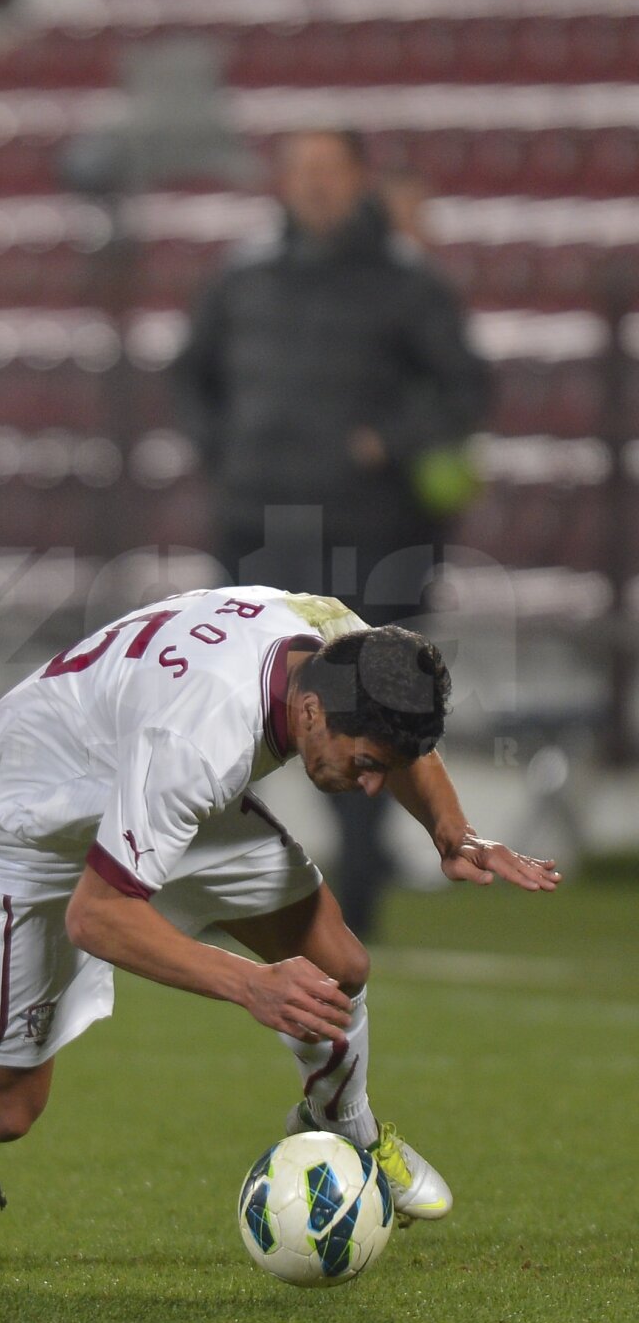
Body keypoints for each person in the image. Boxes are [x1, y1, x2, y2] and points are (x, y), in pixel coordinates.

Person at [0, 585, 559, 1274]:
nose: (371, 787)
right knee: (0, 1105)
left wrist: (455, 834)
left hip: (141, 784)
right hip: (31, 821)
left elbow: (404, 744)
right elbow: (97, 916)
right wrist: (249, 984)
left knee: (336, 963)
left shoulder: (339, 644)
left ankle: (347, 1130)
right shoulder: (199, 740)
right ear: (310, 712)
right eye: (363, 763)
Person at [172, 128, 492, 940]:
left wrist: (389, 438)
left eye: (329, 170)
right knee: (237, 714)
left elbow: (465, 388)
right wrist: (226, 453)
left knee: (368, 714)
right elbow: (189, 377)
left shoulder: (406, 281)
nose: (312, 185)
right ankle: (236, 886)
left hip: (372, 531)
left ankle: (356, 897)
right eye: (300, 170)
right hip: (257, 527)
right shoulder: (242, 276)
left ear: (361, 180)